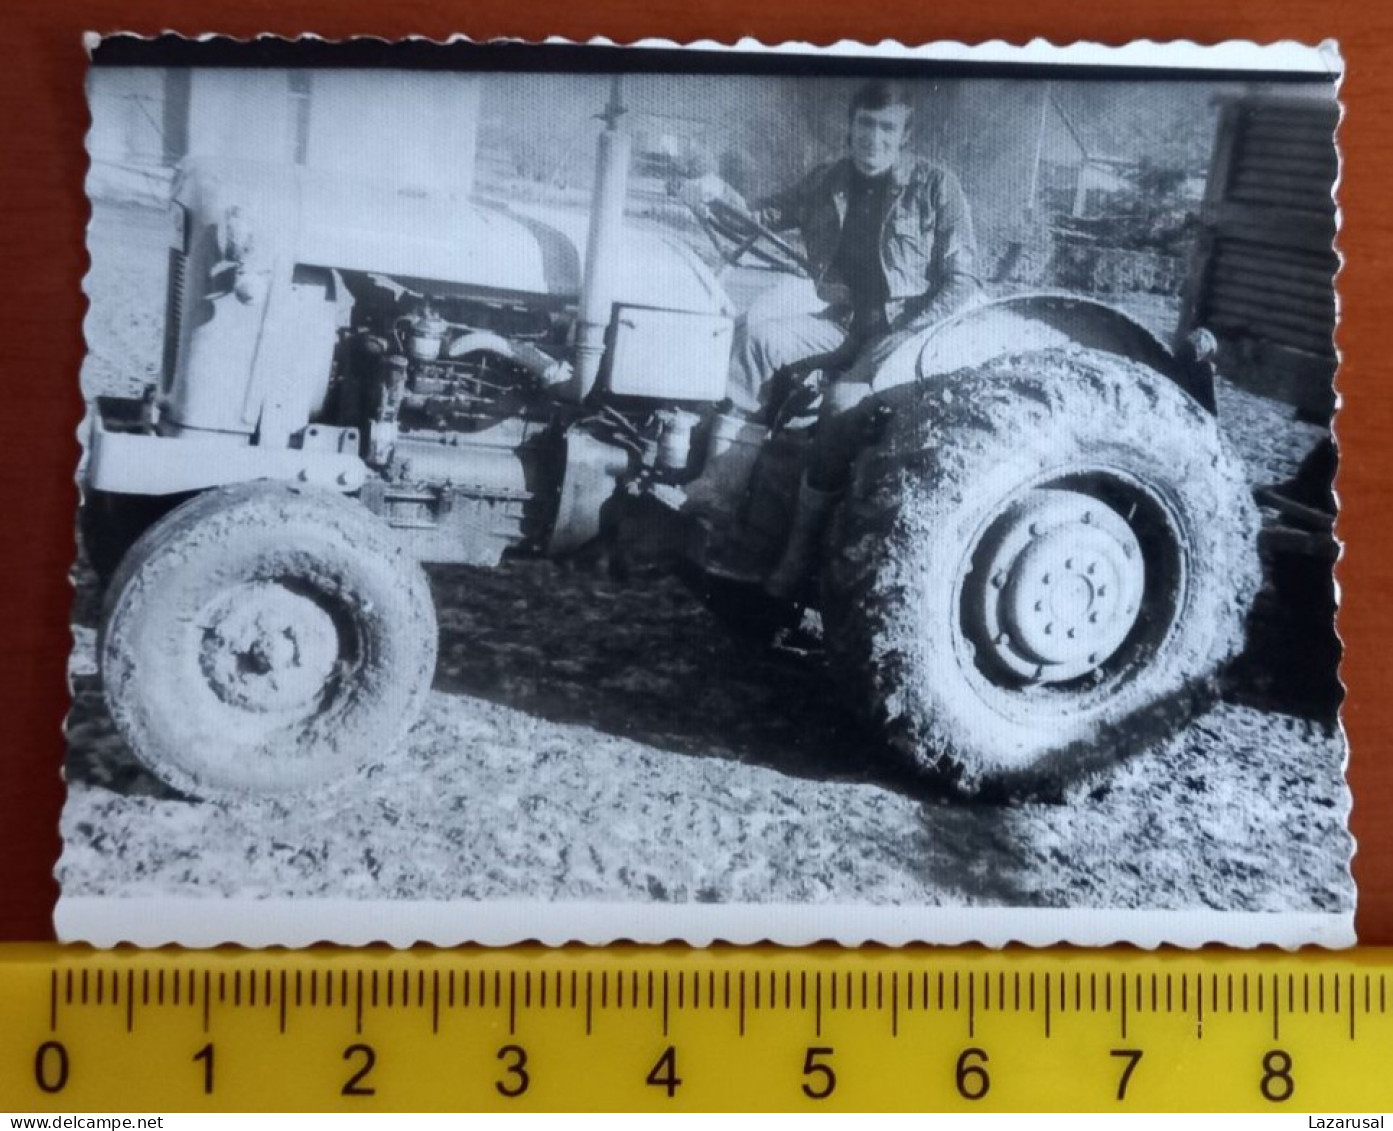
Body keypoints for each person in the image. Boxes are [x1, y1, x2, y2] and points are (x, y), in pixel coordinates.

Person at [683, 79, 981, 598]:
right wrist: (709, 193)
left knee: (842, 402)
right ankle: (717, 505)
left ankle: (796, 560)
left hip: (908, 337)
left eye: (887, 128)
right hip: (844, 323)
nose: (873, 138)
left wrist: (906, 336)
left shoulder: (937, 187)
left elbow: (964, 280)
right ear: (850, 126)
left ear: (905, 134)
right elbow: (754, 220)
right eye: (865, 124)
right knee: (757, 343)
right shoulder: (829, 179)